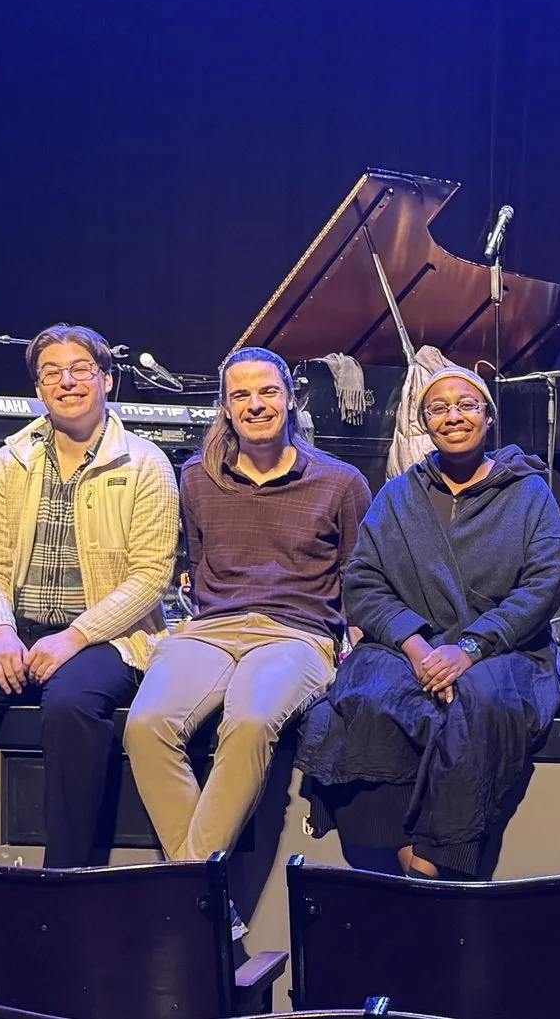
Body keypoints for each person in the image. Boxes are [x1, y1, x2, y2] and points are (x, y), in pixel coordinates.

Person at [0, 325, 175, 867]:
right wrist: (0, 631)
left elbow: (150, 577)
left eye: (80, 369)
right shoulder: (13, 461)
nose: (66, 381)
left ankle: (67, 878)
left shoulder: (146, 464)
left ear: (107, 380)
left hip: (107, 637)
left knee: (71, 707)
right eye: (51, 373)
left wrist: (72, 639)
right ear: (38, 388)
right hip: (17, 626)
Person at [296, 364, 560, 879]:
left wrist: (469, 649)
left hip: (505, 649)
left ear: (488, 416)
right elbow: (363, 581)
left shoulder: (530, 493)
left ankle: (445, 854)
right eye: (438, 408)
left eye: (466, 404)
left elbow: (544, 585)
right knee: (367, 699)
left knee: (482, 703)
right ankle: (407, 856)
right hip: (411, 646)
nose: (453, 416)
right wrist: (418, 647)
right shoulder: (398, 495)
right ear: (425, 423)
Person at [124, 347, 370, 863]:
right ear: (226, 408)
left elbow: (358, 582)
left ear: (290, 399)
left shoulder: (341, 482)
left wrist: (359, 651)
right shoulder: (197, 477)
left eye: (267, 392)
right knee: (145, 728)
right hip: (210, 629)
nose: (255, 405)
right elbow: (194, 562)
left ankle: (193, 895)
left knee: (252, 721)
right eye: (241, 395)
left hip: (296, 634)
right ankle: (208, 896)